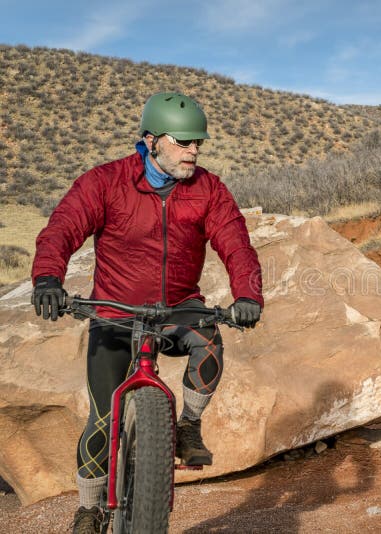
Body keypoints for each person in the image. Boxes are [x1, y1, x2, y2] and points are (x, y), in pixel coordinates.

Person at [29, 92, 264, 534]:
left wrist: (248, 295)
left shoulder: (208, 189)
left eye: (199, 143)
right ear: (151, 140)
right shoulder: (105, 182)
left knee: (210, 342)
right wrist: (47, 279)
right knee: (103, 419)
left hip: (178, 309)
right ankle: (90, 508)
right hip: (114, 314)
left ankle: (188, 426)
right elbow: (62, 228)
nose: (194, 151)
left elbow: (236, 243)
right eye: (184, 142)